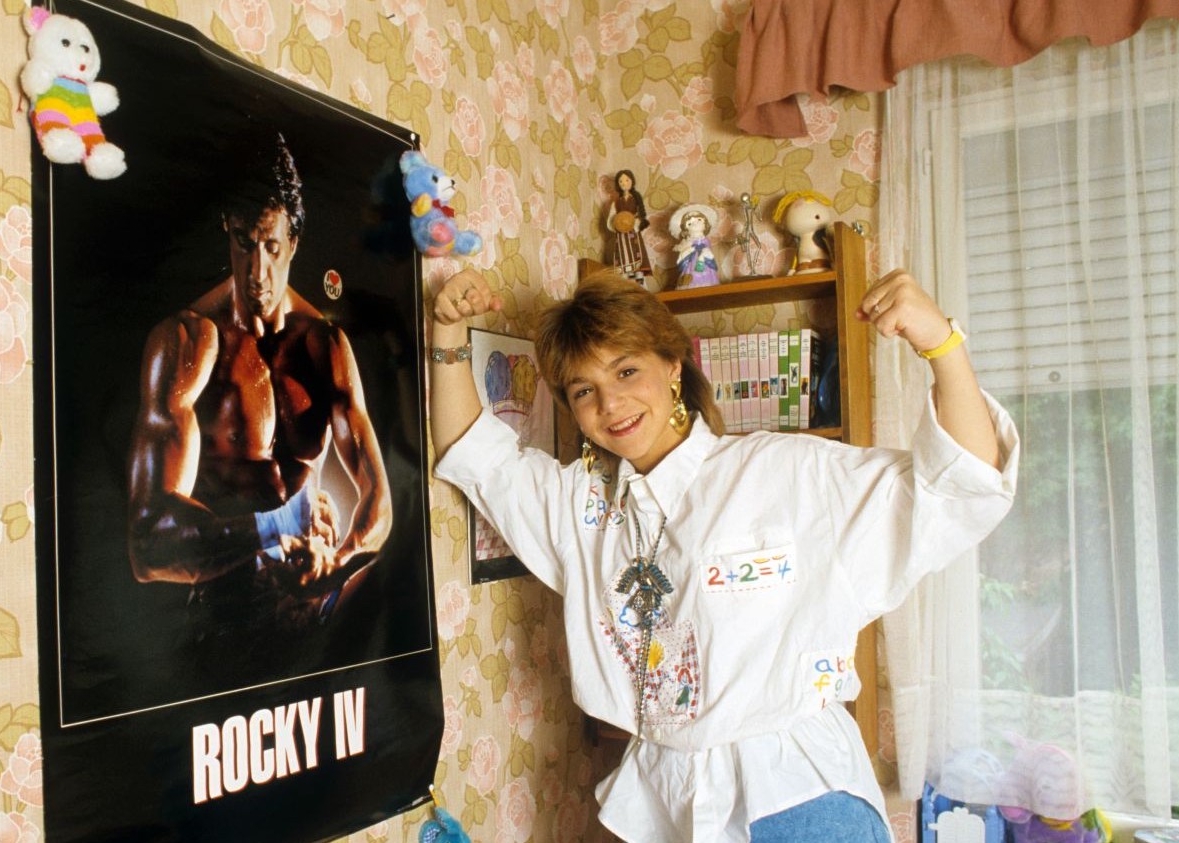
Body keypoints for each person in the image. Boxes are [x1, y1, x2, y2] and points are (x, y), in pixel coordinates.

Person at [427, 266, 1018, 842]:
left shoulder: (785, 472)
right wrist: (447, 333)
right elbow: (476, 455)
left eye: (627, 371)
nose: (611, 404)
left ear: (673, 364)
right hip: (664, 805)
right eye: (585, 390)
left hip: (800, 802)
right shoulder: (581, 508)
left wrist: (941, 343)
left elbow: (962, 486)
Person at [127, 133, 392, 635]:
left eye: (271, 246)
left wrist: (341, 560)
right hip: (223, 614)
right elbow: (147, 545)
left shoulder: (324, 345)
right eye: (244, 244)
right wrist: (279, 525)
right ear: (227, 230)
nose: (258, 272)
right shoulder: (188, 340)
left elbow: (379, 499)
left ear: (294, 242)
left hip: (311, 622)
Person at [605, 169, 654, 283]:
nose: (624, 183)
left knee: (636, 258)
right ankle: (627, 283)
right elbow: (611, 218)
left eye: (626, 180)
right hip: (621, 237)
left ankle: (639, 284)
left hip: (633, 234)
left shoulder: (635, 199)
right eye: (621, 181)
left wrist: (633, 223)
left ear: (632, 181)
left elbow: (640, 216)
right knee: (623, 259)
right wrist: (617, 222)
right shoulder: (616, 202)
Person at [671, 203, 720, 289]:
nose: (695, 224)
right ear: (686, 230)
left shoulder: (706, 241)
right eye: (690, 223)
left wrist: (706, 254)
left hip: (705, 265)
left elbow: (708, 253)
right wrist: (689, 250)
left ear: (705, 224)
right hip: (691, 267)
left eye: (699, 220)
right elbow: (681, 259)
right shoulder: (687, 242)